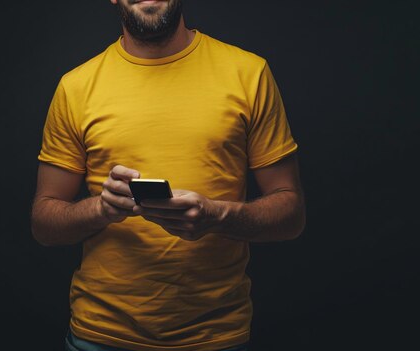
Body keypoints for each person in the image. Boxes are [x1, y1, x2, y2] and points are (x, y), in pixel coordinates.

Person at [31, 0, 305, 350]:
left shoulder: (248, 73)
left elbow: (291, 215)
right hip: (100, 336)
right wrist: (100, 209)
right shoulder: (75, 87)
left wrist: (218, 215)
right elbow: (43, 224)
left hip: (217, 336)